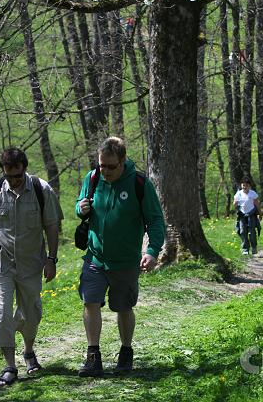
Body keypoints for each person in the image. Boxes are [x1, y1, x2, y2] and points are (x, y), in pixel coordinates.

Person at [0, 148, 64, 387]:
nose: (13, 181)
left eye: (17, 175)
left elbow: (52, 226)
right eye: (9, 176)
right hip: (1, 261)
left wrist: (52, 259)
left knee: (31, 312)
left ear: (24, 167)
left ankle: (29, 351)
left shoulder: (42, 190)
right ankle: (9, 366)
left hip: (32, 262)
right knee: (0, 310)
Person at [75, 137, 165, 376]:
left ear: (123, 161)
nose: (104, 171)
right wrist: (80, 208)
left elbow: (155, 220)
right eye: (101, 165)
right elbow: (80, 203)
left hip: (125, 261)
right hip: (95, 257)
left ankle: (126, 352)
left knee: (123, 307)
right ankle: (93, 356)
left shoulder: (139, 183)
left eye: (110, 167)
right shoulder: (93, 178)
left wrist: (152, 251)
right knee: (90, 301)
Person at [233, 176, 262, 255]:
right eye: (243, 185)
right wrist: (235, 203)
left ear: (249, 186)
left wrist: (260, 213)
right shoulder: (238, 194)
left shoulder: (253, 194)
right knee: (242, 231)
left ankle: (254, 247)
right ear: (241, 185)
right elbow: (235, 205)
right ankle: (245, 249)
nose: (244, 187)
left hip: (251, 214)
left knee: (252, 232)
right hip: (242, 215)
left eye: (246, 185)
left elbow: (257, 204)